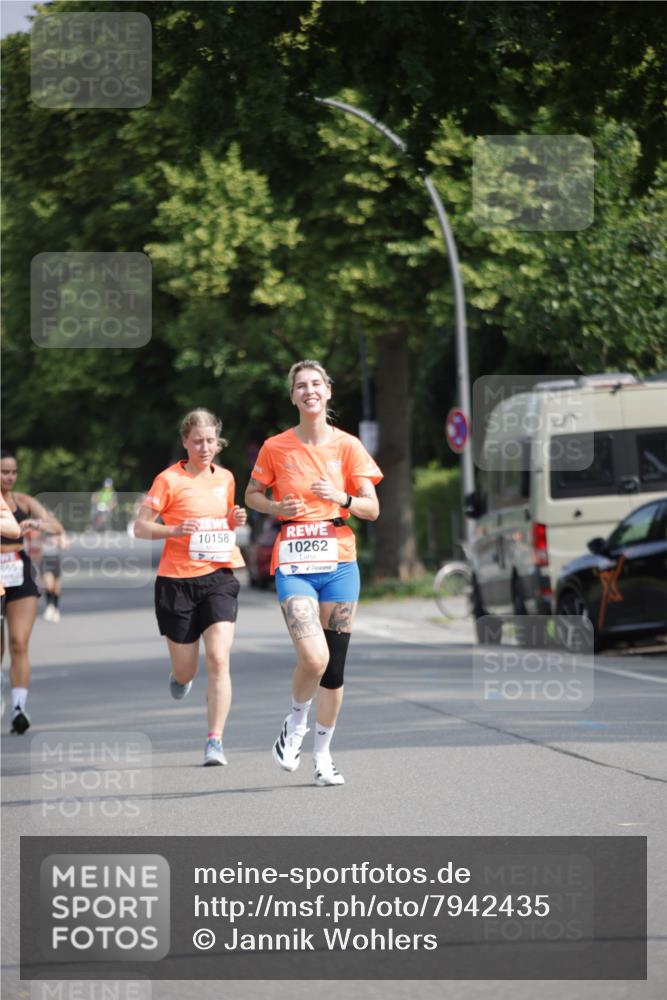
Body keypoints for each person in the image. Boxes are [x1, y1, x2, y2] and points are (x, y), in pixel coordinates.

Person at [245, 360, 382, 787]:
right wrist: (274, 506)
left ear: (328, 391)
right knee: (314, 657)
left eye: (316, 383)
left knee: (335, 668)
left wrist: (340, 497)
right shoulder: (276, 447)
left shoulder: (348, 447)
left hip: (339, 560)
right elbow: (252, 494)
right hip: (295, 561)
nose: (309, 391)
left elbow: (372, 508)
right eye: (301, 386)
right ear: (293, 396)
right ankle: (296, 723)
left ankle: (323, 757)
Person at [134, 409, 247, 766]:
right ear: (185, 442)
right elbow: (140, 527)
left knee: (218, 657)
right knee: (187, 669)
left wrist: (233, 519)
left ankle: (215, 740)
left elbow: (223, 522)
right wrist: (174, 530)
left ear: (218, 441)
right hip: (176, 580)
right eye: (197, 440)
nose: (204, 447)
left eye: (211, 440)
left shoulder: (226, 478)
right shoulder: (168, 480)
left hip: (219, 576)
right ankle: (180, 677)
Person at [0, 449, 64, 733]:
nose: (9, 477)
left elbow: (56, 526)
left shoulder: (23, 501)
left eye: (13, 471)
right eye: (4, 472)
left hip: (18, 573)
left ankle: (18, 708)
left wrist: (36, 523)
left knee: (19, 643)